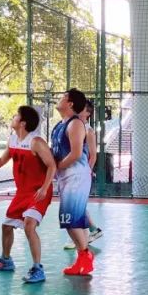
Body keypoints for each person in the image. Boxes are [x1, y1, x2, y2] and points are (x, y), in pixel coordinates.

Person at [0, 105, 56, 283]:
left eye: (16, 116)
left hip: (39, 191)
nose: (13, 117)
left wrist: (44, 188)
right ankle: (6, 260)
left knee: (29, 225)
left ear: (23, 123)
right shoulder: (13, 140)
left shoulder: (36, 142)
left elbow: (52, 165)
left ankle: (38, 268)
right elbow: (1, 160)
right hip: (22, 193)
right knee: (6, 226)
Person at [51, 88, 95, 276]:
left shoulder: (75, 124)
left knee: (70, 221)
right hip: (66, 177)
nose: (59, 99)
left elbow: (76, 153)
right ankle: (82, 258)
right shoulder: (59, 125)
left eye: (63, 97)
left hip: (75, 176)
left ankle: (86, 257)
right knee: (72, 221)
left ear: (70, 103)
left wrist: (57, 167)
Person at [63, 100, 103, 249]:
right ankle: (88, 232)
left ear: (88, 113)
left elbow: (93, 156)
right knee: (77, 205)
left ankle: (83, 235)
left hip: (80, 174)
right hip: (69, 173)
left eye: (82, 108)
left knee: (75, 205)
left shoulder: (88, 131)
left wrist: (87, 172)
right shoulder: (71, 126)